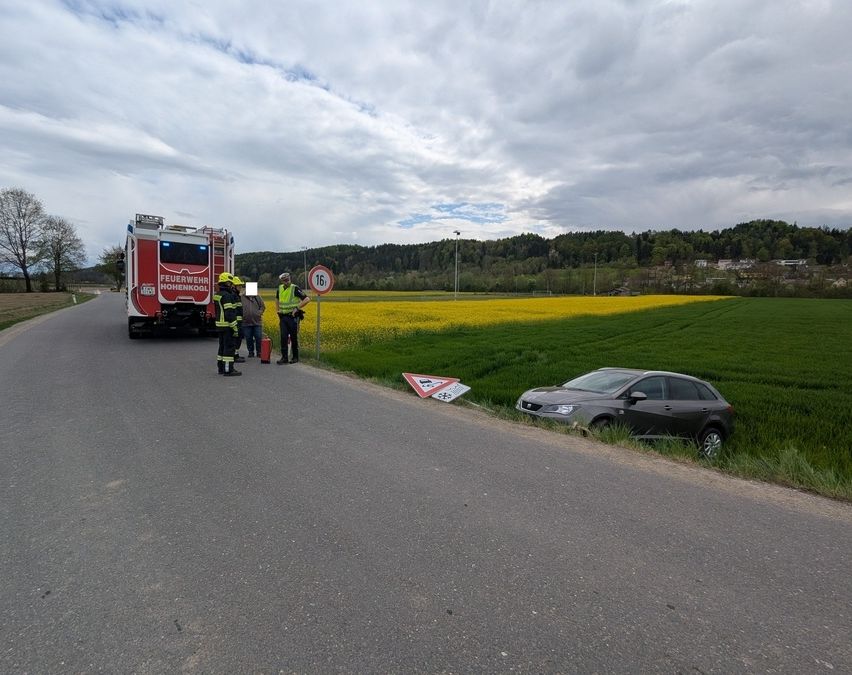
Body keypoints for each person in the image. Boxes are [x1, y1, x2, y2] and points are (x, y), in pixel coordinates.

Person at [275, 271, 310, 364]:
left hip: (292, 317)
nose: (287, 282)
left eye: (288, 280)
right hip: (282, 317)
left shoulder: (295, 288)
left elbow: (307, 299)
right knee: (283, 337)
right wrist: (277, 310)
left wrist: (297, 308)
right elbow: (277, 299)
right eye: (285, 280)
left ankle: (295, 357)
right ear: (282, 281)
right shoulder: (280, 288)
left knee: (294, 338)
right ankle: (284, 358)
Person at [213, 272, 241, 376]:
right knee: (229, 348)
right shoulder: (227, 296)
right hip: (228, 326)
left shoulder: (218, 295)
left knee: (222, 347)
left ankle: (221, 368)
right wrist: (235, 327)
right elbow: (229, 314)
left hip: (220, 326)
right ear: (227, 283)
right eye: (231, 283)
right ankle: (228, 370)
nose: (232, 286)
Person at [240, 278, 266, 357]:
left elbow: (263, 306)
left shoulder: (257, 297)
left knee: (258, 337)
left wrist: (259, 313)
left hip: (257, 321)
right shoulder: (242, 297)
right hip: (246, 322)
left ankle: (259, 352)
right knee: (248, 338)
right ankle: (250, 352)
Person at [231, 277, 246, 363]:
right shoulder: (233, 295)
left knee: (238, 338)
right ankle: (234, 355)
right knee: (237, 338)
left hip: (238, 321)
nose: (240, 287)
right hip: (236, 321)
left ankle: (236, 354)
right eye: (239, 286)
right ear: (234, 286)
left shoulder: (236, 295)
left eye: (241, 286)